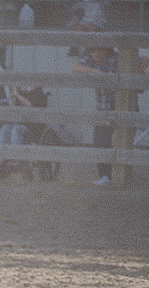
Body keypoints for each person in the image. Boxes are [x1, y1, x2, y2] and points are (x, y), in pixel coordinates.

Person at [72, 45, 117, 185]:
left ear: (107, 50)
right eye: (92, 50)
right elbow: (75, 68)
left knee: (124, 143)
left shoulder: (117, 58)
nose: (95, 53)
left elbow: (143, 60)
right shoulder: (91, 60)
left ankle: (122, 176)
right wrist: (95, 71)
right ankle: (105, 176)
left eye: (99, 50)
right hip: (102, 108)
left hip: (121, 106)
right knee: (99, 143)